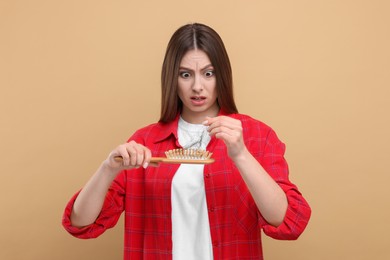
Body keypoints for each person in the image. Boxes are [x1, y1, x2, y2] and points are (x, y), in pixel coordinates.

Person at [62, 23, 311, 259]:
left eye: (208, 73)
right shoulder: (144, 142)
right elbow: (80, 223)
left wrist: (241, 155)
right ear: (173, 78)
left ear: (222, 75)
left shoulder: (257, 136)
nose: (197, 86)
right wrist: (108, 169)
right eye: (185, 74)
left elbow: (289, 222)